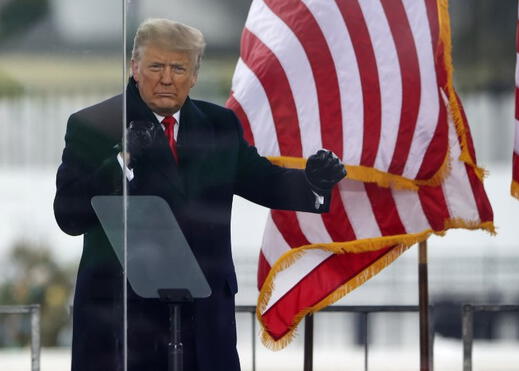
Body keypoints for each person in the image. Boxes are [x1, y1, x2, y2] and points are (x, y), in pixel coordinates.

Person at [54, 18, 345, 371]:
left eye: (179, 68)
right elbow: (69, 215)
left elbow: (262, 179)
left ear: (194, 75)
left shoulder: (219, 124)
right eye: (156, 66)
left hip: (203, 317)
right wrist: (121, 160)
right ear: (134, 67)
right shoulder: (96, 124)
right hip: (124, 321)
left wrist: (313, 182)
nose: (166, 78)